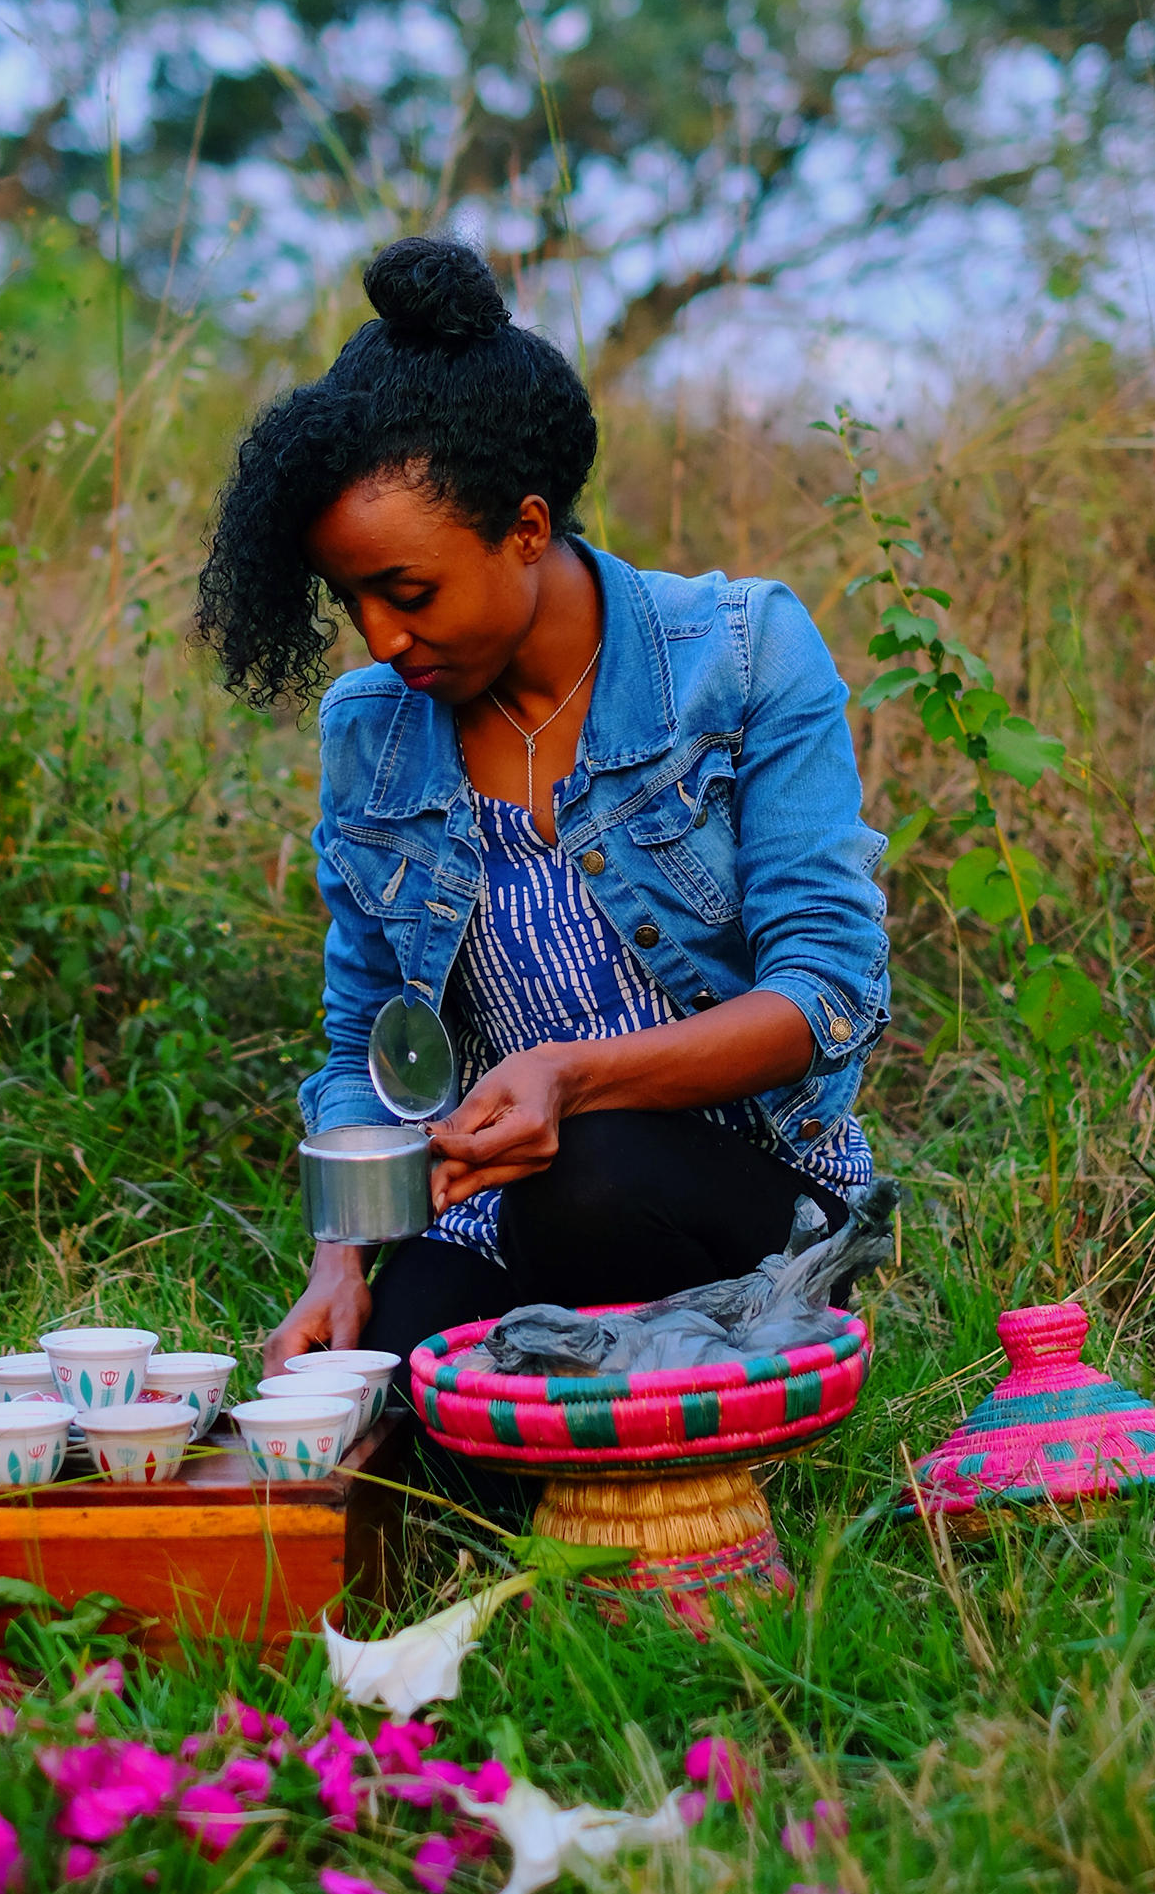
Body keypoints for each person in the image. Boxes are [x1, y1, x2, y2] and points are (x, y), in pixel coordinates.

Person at [196, 237, 889, 1382]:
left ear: (525, 527)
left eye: (407, 591)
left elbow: (826, 996)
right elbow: (364, 1040)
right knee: (378, 1415)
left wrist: (569, 1077)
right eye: (350, 599)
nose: (379, 639)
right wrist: (340, 1262)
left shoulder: (740, 653)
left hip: (733, 1192)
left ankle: (706, 1418)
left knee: (590, 1181)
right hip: (502, 1211)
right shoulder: (372, 727)